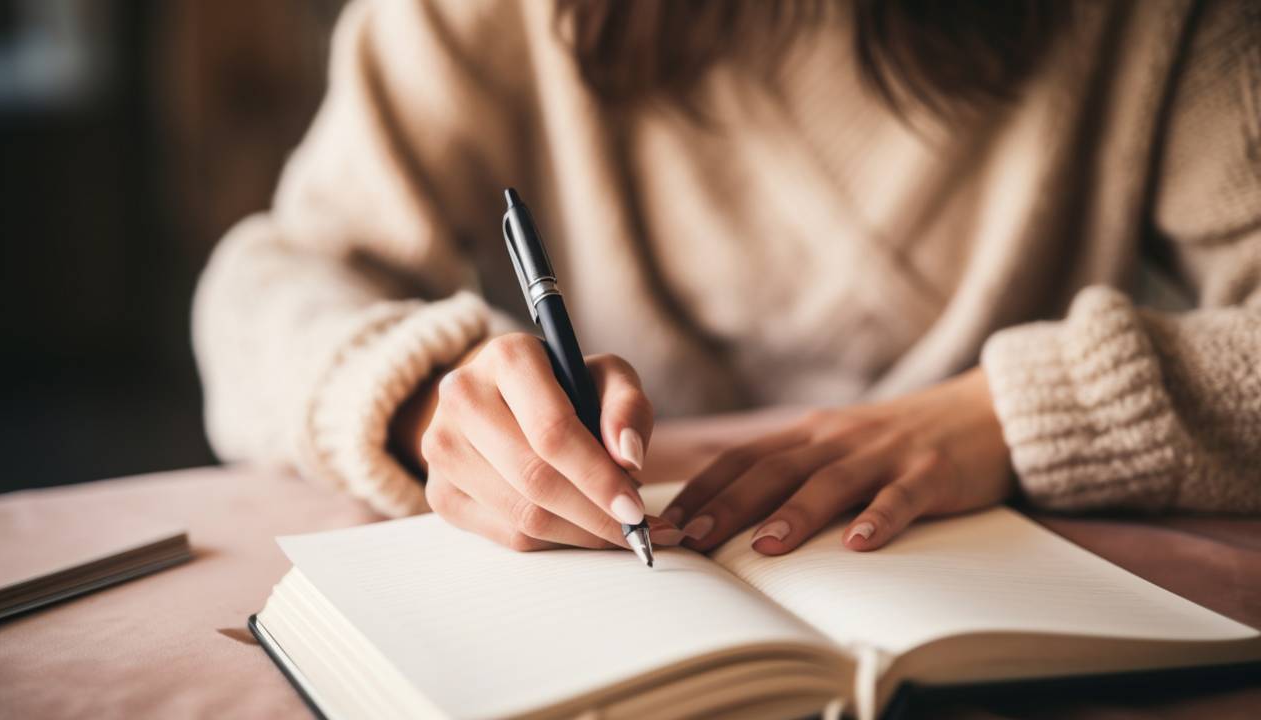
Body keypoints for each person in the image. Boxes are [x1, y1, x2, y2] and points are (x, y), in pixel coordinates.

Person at [193, 0, 1261, 557]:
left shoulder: (1160, 19)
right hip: (616, 582)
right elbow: (259, 290)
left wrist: (1005, 415)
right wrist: (426, 399)